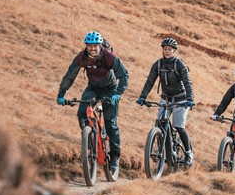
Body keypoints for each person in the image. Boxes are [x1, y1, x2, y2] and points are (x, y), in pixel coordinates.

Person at [57, 31, 129, 173]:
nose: (92, 48)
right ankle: (89, 140)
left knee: (111, 123)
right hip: (93, 89)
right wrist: (61, 94)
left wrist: (118, 93)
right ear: (86, 46)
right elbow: (70, 75)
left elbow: (124, 75)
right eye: (90, 46)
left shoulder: (109, 56)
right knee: (82, 113)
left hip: (111, 89)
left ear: (100, 45)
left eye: (95, 45)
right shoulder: (82, 56)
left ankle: (115, 157)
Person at [136, 37, 195, 166]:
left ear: (174, 51)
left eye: (170, 49)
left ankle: (189, 153)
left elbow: (187, 82)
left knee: (179, 126)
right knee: (160, 123)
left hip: (181, 99)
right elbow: (150, 81)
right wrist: (143, 97)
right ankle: (160, 151)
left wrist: (190, 99)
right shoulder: (158, 65)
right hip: (166, 98)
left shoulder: (179, 65)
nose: (167, 51)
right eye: (165, 49)